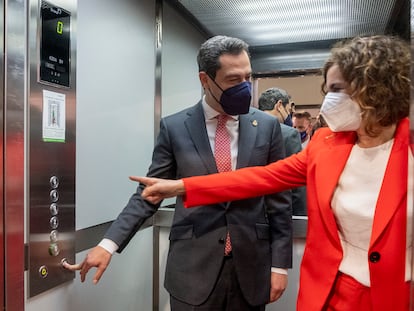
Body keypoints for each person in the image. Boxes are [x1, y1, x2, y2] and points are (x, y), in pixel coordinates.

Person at [132, 35, 412, 311]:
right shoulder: (324, 146)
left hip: (395, 293)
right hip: (329, 292)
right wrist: (180, 186)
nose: (328, 102)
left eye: (337, 89)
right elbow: (257, 178)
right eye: (328, 90)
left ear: (375, 88)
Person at [65, 35, 293, 311]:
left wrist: (280, 265)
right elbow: (149, 193)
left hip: (252, 267)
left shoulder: (267, 127)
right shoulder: (175, 128)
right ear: (205, 79)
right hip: (192, 271)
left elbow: (279, 201)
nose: (245, 87)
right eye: (234, 80)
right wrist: (108, 244)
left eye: (248, 77)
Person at [259, 87, 307, 215]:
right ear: (279, 105)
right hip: (279, 214)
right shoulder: (288, 134)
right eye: (289, 111)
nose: (290, 117)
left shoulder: (245, 130)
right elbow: (297, 184)